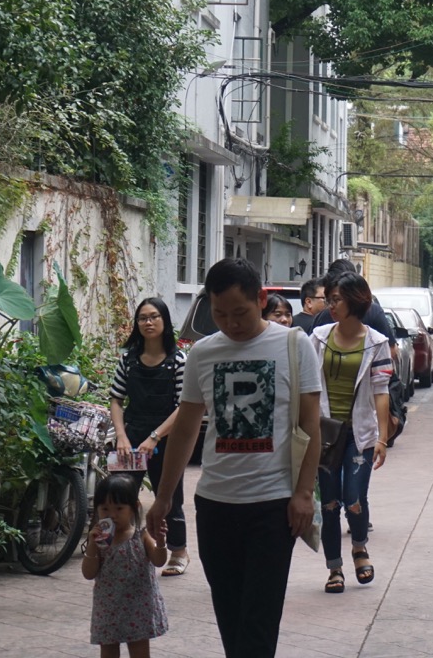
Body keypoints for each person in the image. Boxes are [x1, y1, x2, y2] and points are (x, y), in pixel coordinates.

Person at [146, 258, 322, 658]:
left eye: (239, 312)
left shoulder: (294, 346)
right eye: (220, 314)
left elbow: (310, 426)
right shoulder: (203, 353)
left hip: (273, 507)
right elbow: (186, 428)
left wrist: (303, 493)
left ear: (260, 299)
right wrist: (164, 497)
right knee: (229, 617)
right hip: (215, 506)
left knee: (258, 622)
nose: (230, 323)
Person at [309, 271, 391, 595]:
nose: (331, 305)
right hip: (325, 432)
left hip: (361, 433)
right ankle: (334, 568)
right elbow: (306, 384)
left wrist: (382, 438)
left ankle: (359, 545)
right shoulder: (318, 338)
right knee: (329, 503)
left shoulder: (377, 342)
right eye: (329, 299)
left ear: (355, 301)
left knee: (354, 498)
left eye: (337, 300)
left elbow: (381, 391)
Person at [109, 297, 190, 576]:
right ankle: (119, 549)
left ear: (165, 321)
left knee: (169, 496)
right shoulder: (128, 359)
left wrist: (155, 436)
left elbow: (183, 406)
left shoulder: (178, 361)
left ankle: (178, 552)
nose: (148, 322)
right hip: (131, 437)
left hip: (166, 439)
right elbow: (116, 399)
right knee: (120, 494)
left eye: (154, 316)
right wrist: (121, 436)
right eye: (143, 318)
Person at [83, 474, 169, 658]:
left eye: (119, 508)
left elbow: (158, 560)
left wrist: (161, 542)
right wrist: (91, 545)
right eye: (105, 509)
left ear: (134, 507)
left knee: (139, 651)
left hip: (138, 608)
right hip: (108, 608)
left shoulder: (141, 536)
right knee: (108, 651)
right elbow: (88, 573)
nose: (111, 515)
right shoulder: (101, 541)